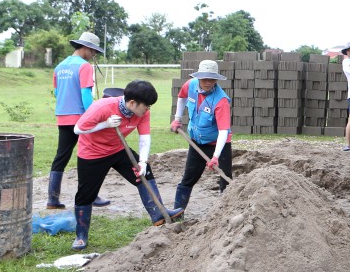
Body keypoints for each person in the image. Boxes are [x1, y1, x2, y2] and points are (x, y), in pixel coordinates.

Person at [71, 79, 183, 250]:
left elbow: (144, 137)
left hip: (117, 149)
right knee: (86, 193)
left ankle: (158, 214)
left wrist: (143, 162)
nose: (147, 109)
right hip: (92, 153)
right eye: (146, 106)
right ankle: (81, 236)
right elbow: (78, 129)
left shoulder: (142, 112)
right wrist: (105, 124)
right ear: (132, 103)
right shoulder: (103, 106)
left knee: (144, 173)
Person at [47, 32, 110, 210]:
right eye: (94, 52)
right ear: (87, 48)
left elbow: (57, 93)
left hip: (62, 116)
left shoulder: (59, 67)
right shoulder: (84, 67)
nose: (93, 55)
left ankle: (52, 199)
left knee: (61, 156)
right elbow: (85, 94)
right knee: (90, 156)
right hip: (82, 119)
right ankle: (92, 195)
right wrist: (94, 114)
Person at [170, 59, 233, 212]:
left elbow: (224, 131)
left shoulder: (221, 100)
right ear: (198, 77)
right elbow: (182, 97)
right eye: (205, 78)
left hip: (219, 144)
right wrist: (177, 118)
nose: (208, 82)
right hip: (196, 142)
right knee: (188, 178)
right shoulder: (190, 85)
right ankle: (177, 213)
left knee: (226, 180)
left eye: (212, 79)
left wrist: (216, 157)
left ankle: (225, 214)